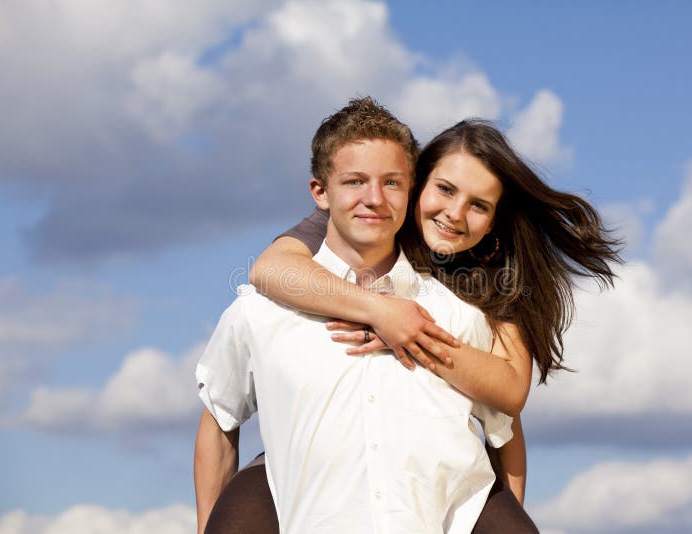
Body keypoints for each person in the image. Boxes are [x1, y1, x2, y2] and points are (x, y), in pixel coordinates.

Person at [194, 97, 540, 534]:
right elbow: (220, 413)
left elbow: (507, 414)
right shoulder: (259, 310)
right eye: (356, 181)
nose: (374, 198)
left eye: (392, 183)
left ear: (408, 188)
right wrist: (382, 310)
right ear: (321, 191)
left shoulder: (473, 306)